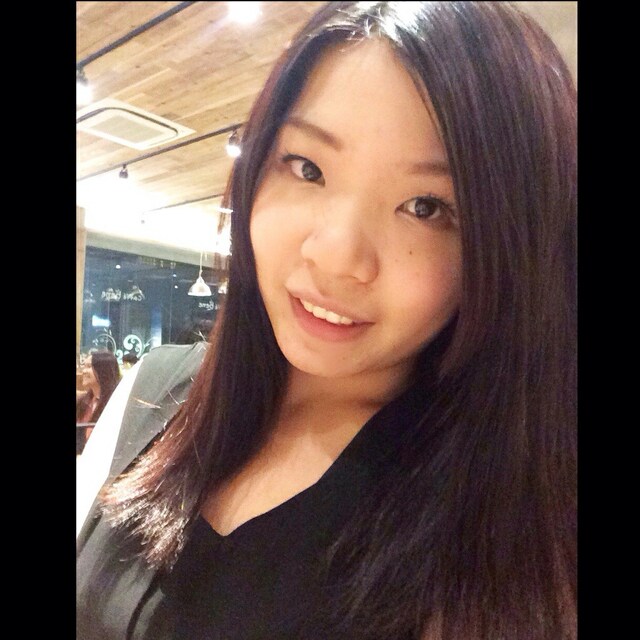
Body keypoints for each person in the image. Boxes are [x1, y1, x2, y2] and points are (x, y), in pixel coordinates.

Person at [76, 2, 577, 638]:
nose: (336, 257)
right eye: (307, 168)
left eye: (426, 207)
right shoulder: (153, 392)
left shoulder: (509, 535)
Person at [76, 350, 122, 455]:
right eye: (84, 366)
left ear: (102, 370)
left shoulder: (116, 403)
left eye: (89, 366)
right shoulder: (82, 402)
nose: (83, 371)